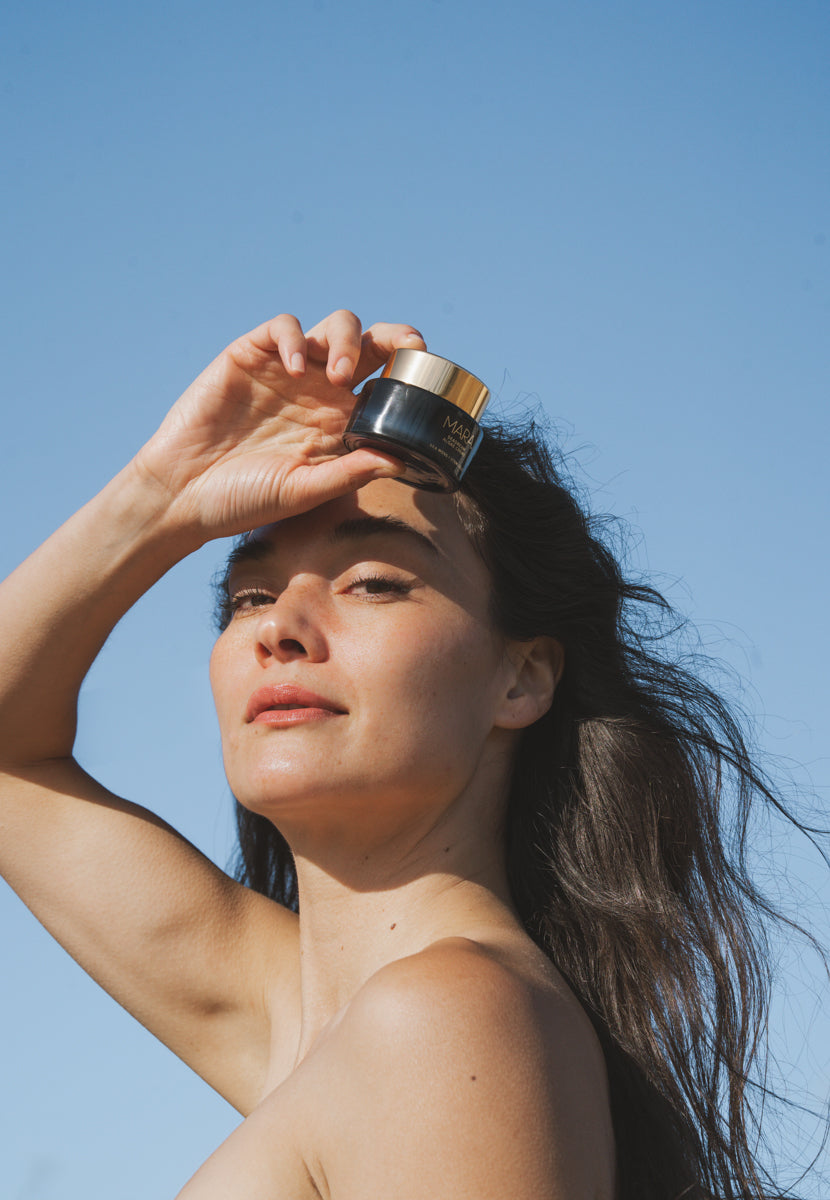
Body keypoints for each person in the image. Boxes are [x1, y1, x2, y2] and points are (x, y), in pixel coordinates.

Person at [0, 310, 822, 1200]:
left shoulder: (443, 1020)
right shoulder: (317, 1016)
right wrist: (163, 493)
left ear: (521, 679)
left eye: (374, 583)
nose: (279, 627)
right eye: (249, 594)